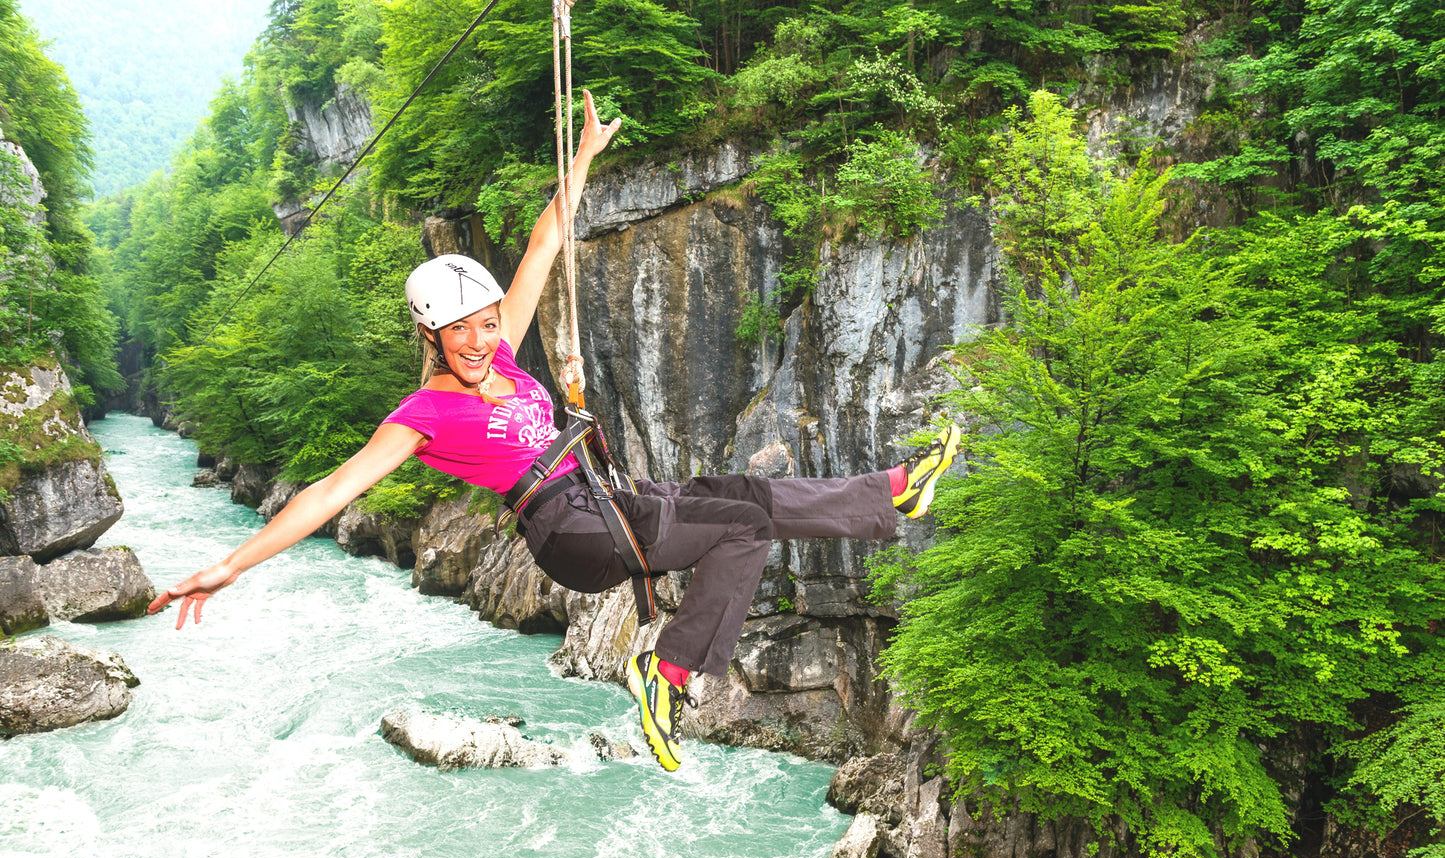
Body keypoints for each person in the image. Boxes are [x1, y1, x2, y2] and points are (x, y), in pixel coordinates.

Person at [147, 91, 961, 772]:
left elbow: (544, 243)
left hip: (607, 498)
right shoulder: (423, 414)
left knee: (738, 496)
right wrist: (225, 566)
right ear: (430, 337)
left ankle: (890, 491)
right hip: (569, 531)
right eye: (458, 331)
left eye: (486, 321)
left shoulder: (502, 349)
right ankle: (668, 671)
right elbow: (331, 492)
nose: (476, 340)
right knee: (743, 527)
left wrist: (583, 155)